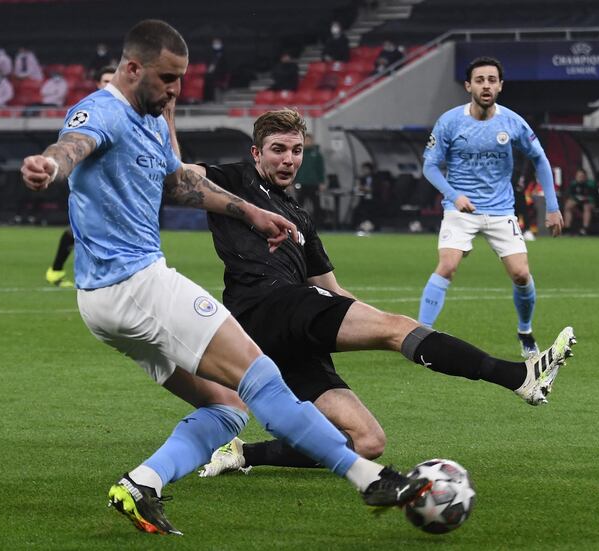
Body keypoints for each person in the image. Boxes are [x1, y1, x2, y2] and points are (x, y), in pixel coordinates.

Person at [21, 20, 434, 536]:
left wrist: (248, 212)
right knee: (260, 376)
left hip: (104, 304)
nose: (176, 90)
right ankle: (368, 475)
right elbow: (74, 144)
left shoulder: (151, 116)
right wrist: (49, 164)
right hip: (138, 285)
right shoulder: (104, 109)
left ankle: (141, 484)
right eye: (168, 79)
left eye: (181, 80)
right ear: (131, 68)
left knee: (228, 408)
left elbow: (177, 183)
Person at [169, 108, 575, 477]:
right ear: (256, 153)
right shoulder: (233, 179)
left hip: (288, 335)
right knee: (395, 330)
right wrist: (165, 116)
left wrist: (384, 322)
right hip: (264, 310)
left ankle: (242, 455)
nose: (288, 159)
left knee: (367, 442)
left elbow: (332, 291)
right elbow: (176, 173)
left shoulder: (300, 219)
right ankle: (518, 375)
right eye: (277, 150)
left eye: (296, 150)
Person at [417, 56, 563, 358]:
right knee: (447, 266)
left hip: (501, 211)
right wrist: (453, 194)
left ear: (500, 86)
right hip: (461, 210)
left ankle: (525, 332)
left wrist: (552, 205)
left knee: (522, 275)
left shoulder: (512, 122)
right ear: (469, 85)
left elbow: (540, 158)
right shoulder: (450, 121)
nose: (486, 85)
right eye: (480, 80)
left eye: (492, 80)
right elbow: (430, 166)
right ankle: (420, 335)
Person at [44, 65, 115, 288]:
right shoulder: (90, 110)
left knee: (86, 230)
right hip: (90, 182)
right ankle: (62, 271)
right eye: (105, 81)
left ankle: (57, 271)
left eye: (113, 81)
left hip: (115, 184)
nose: (109, 85)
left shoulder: (127, 112)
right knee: (83, 229)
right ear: (98, 84)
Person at [295, 134, 326, 226]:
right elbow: (294, 168)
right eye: (306, 140)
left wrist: (322, 182)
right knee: (298, 205)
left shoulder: (317, 154)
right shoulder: (297, 153)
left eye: (309, 140)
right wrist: (292, 182)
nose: (308, 142)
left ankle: (318, 226)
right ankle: (298, 225)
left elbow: (320, 169)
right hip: (301, 183)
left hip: (313, 184)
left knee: (316, 205)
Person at [564, 168, 597, 235]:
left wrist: (584, 199)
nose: (580, 178)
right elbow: (571, 195)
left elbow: (593, 197)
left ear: (585, 177)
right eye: (578, 176)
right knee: (568, 206)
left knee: (586, 206)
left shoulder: (590, 184)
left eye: (582, 176)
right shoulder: (573, 184)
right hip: (577, 203)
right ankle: (567, 227)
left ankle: (585, 228)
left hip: (588, 203)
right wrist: (576, 199)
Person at [202, 37, 228, 102]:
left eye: (217, 43)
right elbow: (208, 63)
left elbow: (225, 65)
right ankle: (214, 100)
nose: (216, 44)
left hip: (221, 75)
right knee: (214, 88)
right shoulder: (210, 53)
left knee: (220, 88)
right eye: (215, 43)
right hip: (212, 75)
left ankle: (220, 100)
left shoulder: (223, 54)